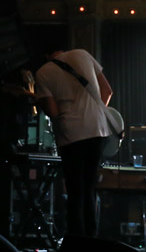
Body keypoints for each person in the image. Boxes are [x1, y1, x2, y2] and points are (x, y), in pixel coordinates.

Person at [33, 48, 114, 239]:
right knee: (89, 188)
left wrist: (40, 102)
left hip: (72, 135)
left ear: (47, 56)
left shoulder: (43, 72)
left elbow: (53, 112)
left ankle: (77, 241)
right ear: (62, 50)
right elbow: (108, 91)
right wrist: (93, 112)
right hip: (97, 130)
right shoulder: (83, 54)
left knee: (75, 190)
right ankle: (91, 239)